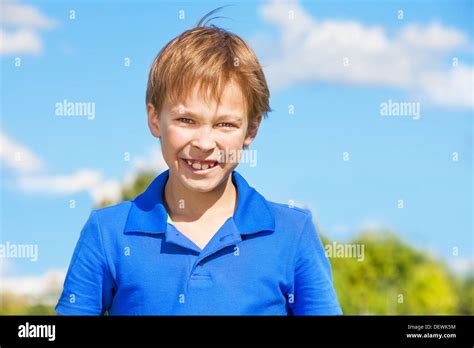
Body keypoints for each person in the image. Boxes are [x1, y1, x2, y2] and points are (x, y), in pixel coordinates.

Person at [55, 11, 342, 316]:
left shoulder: (293, 233)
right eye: (186, 120)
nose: (205, 144)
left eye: (225, 125)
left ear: (252, 129)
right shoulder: (106, 233)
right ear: (154, 119)